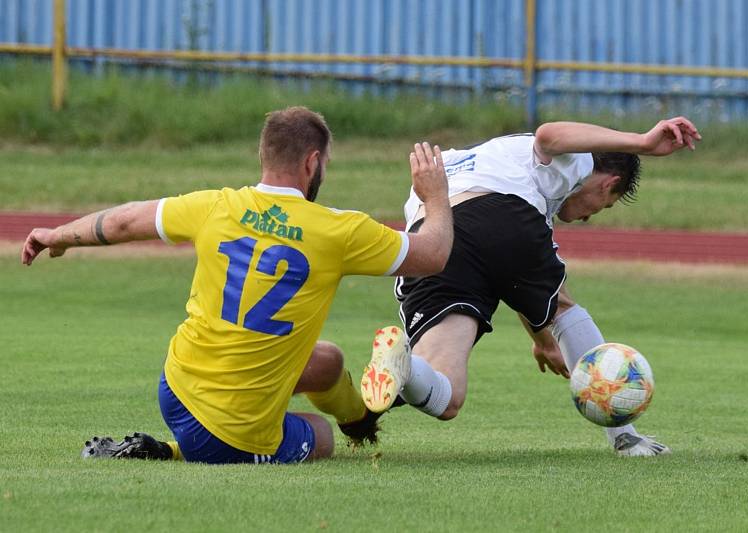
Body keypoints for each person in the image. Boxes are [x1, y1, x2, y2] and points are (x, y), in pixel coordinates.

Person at [21, 106, 454, 464]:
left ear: (263, 155)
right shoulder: (338, 231)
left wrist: (56, 236)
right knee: (320, 436)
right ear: (312, 163)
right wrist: (434, 194)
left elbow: (122, 221)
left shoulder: (216, 205)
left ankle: (362, 419)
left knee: (326, 360)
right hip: (232, 427)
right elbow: (434, 254)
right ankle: (172, 452)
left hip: (174, 389)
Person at [360, 117, 701, 457]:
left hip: (437, 239)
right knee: (565, 307)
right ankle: (624, 438)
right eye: (605, 206)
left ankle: (397, 371)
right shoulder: (580, 161)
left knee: (446, 393)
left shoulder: (464, 159)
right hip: (504, 214)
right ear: (608, 184)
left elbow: (508, 273)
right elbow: (548, 135)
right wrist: (642, 142)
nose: (588, 218)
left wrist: (542, 341)